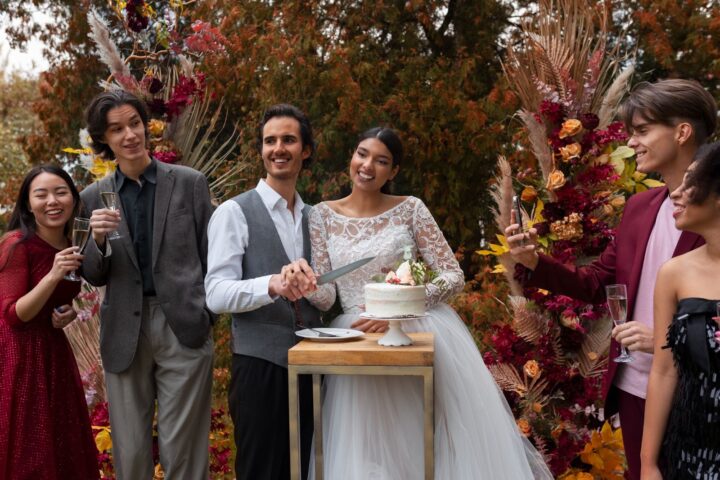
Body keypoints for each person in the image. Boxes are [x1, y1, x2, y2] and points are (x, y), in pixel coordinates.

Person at [285, 127, 553, 479]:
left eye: (381, 161)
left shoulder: (411, 209)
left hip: (414, 329)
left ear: (393, 171)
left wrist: (399, 307)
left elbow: (452, 276)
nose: (368, 165)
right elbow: (328, 295)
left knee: (425, 439)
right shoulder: (319, 215)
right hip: (357, 335)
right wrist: (305, 285)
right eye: (362, 154)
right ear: (351, 156)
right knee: (369, 446)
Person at [504, 79, 717, 480]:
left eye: (641, 130)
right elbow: (595, 281)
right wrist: (534, 261)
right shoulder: (639, 207)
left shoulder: (714, 215)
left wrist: (662, 342)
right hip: (634, 386)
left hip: (698, 394)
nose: (631, 142)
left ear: (682, 131)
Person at [80, 90, 214, 479]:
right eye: (117, 129)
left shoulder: (189, 183)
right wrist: (99, 240)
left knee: (183, 451)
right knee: (132, 452)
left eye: (134, 123)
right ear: (104, 139)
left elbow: (212, 255)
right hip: (124, 329)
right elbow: (92, 273)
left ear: (145, 125)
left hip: (183, 326)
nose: (129, 135)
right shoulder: (93, 196)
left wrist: (205, 314)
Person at [204, 103, 322, 480]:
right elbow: (216, 293)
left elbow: (326, 294)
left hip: (313, 365)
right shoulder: (233, 213)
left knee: (307, 469)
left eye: (289, 139)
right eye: (270, 141)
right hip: (260, 367)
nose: (278, 148)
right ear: (261, 150)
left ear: (305, 150)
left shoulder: (314, 216)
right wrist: (272, 284)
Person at [0, 165, 99, 479]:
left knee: (64, 448)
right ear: (28, 204)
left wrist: (64, 312)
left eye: (60, 192)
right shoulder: (17, 244)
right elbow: (14, 314)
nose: (52, 201)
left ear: (73, 198)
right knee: (31, 452)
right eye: (41, 194)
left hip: (54, 355)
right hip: (19, 358)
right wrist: (55, 274)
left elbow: (57, 302)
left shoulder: (74, 241)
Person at [641, 143, 720, 479]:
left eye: (691, 184)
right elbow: (663, 371)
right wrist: (648, 464)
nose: (677, 194)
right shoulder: (673, 273)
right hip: (692, 453)